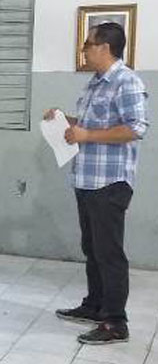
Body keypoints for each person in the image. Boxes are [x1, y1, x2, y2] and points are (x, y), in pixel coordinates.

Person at [47, 22, 149, 345]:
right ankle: (95, 306)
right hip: (87, 178)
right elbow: (88, 126)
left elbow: (136, 128)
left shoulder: (126, 81)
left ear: (105, 47)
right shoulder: (94, 84)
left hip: (110, 181)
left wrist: (87, 134)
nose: (85, 51)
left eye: (88, 45)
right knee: (92, 248)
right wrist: (66, 120)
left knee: (109, 252)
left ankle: (115, 322)